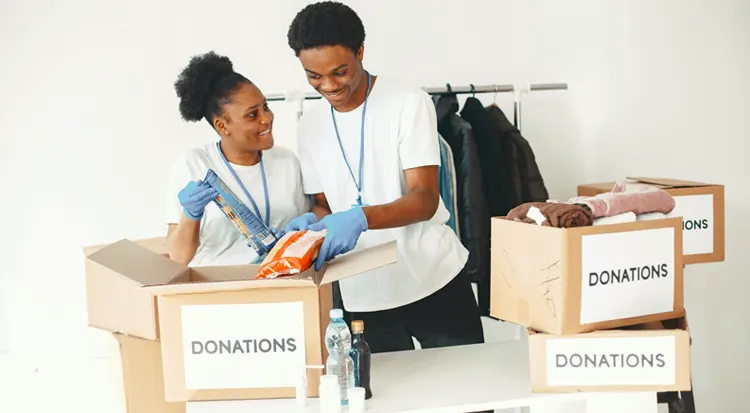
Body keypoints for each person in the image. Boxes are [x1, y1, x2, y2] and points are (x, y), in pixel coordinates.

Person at [284, 1, 485, 353]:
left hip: (431, 277)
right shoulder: (309, 126)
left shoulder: (408, 102)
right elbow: (323, 206)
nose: (329, 85)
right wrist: (308, 228)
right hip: (364, 293)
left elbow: (424, 199)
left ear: (361, 52)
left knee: (469, 395)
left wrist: (361, 218)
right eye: (314, 76)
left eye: (340, 72)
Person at [166, 51, 310, 266]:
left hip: (281, 284)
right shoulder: (194, 164)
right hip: (218, 288)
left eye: (266, 107)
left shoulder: (286, 161)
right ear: (222, 126)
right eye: (253, 115)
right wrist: (191, 215)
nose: (267, 118)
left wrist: (304, 229)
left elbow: (308, 221)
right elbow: (178, 257)